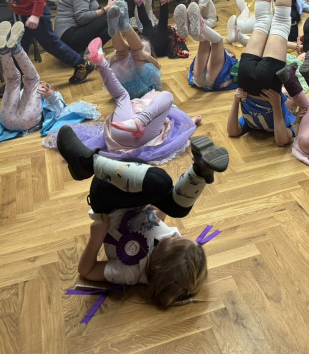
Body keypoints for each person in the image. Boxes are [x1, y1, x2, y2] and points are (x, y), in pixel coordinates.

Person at [56, 125, 228, 308]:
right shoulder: (172, 246)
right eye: (179, 236)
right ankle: (201, 170)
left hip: (107, 202)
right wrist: (160, 209)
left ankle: (87, 164)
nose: (174, 234)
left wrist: (96, 237)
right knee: (176, 207)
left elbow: (86, 271)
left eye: (174, 239)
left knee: (160, 183)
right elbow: (156, 226)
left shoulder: (130, 273)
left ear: (158, 263)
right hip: (132, 195)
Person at [226, 0, 299, 147]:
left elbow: (232, 132)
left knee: (276, 22)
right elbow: (282, 140)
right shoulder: (287, 117)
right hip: (256, 82)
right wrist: (277, 105)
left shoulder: (281, 114)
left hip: (252, 83)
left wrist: (236, 101)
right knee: (266, 22)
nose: (290, 103)